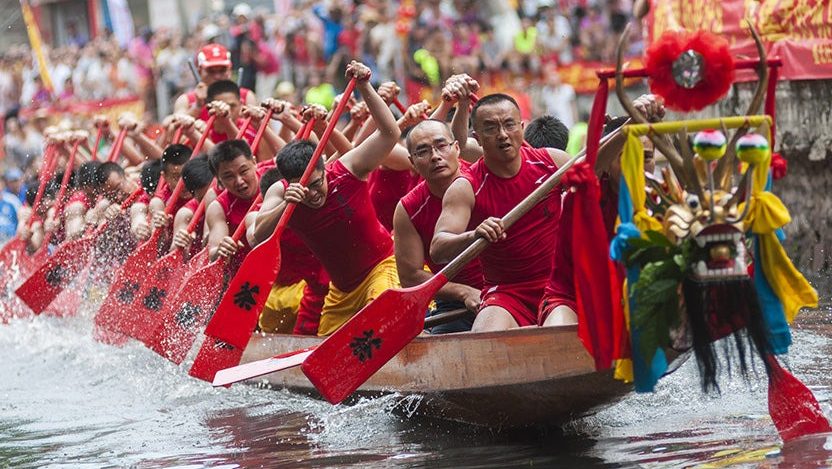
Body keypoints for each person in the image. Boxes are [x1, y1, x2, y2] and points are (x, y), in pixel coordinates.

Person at [251, 61, 401, 336]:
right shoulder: (281, 192)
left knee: (383, 314)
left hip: (382, 268)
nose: (312, 193)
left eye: (316, 183)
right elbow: (256, 237)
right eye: (302, 188)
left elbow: (390, 134)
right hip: (341, 290)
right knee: (327, 356)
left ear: (324, 167)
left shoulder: (347, 169)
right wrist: (286, 203)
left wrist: (367, 86)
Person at [431, 93, 571, 333]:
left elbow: (602, 181)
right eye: (491, 128)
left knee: (558, 336)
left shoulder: (554, 162)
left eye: (509, 124)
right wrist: (474, 235)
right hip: (507, 292)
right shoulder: (466, 187)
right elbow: (438, 248)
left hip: (558, 284)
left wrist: (623, 130)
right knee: (483, 340)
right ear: (477, 138)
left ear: (522, 128)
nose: (503, 135)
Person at [394, 119, 484, 334]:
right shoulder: (408, 208)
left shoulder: (487, 176)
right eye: (423, 151)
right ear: (412, 162)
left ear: (457, 147)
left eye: (441, 146)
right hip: (456, 304)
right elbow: (411, 276)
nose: (435, 156)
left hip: (514, 285)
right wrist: (463, 292)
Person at [254, 168, 329, 336]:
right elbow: (254, 236)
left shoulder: (315, 194)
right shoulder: (255, 215)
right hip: (282, 294)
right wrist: (285, 205)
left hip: (323, 285)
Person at [205, 139, 260, 265]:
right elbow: (213, 253)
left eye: (244, 171)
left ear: (254, 162)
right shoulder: (218, 208)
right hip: (252, 272)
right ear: (219, 180)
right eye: (229, 176)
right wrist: (220, 249)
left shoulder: (274, 177)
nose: (239, 181)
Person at [173, 43, 258, 119]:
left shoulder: (246, 97)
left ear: (230, 70)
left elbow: (263, 131)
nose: (217, 76)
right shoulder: (186, 101)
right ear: (199, 71)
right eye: (211, 71)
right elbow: (174, 127)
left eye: (222, 70)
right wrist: (197, 107)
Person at [169, 155, 216, 258]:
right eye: (205, 198)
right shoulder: (186, 213)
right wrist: (180, 246)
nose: (211, 201)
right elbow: (174, 257)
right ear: (193, 195)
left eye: (216, 193)